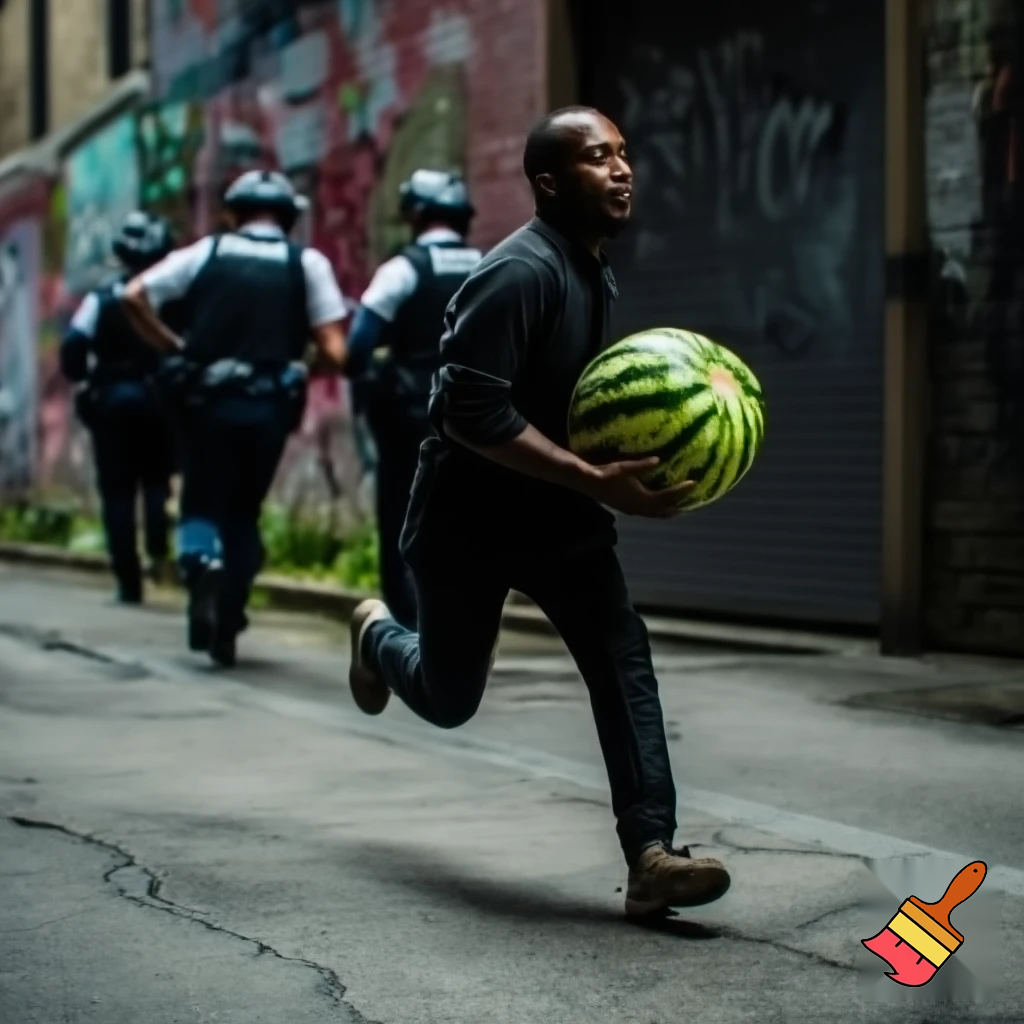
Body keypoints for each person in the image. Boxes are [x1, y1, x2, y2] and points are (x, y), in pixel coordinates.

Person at [346, 107, 732, 917]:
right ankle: (378, 636)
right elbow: (469, 415)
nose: (623, 169)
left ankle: (651, 855)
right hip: (467, 523)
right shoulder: (518, 273)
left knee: (622, 658)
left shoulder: (593, 269)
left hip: (560, 522)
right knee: (450, 699)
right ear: (550, 182)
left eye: (625, 154)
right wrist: (597, 478)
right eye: (598, 158)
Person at [120, 170, 349, 667]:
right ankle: (230, 613)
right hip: (268, 408)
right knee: (244, 509)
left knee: (201, 497)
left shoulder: (206, 252)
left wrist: (173, 346)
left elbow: (133, 295)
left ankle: (201, 564)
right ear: (288, 216)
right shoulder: (305, 263)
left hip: (206, 403)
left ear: (233, 212)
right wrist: (302, 370)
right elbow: (335, 347)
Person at [347, 170, 483, 626]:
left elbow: (359, 343)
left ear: (415, 214)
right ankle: (464, 617)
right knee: (469, 513)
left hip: (411, 415)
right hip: (481, 416)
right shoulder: (490, 264)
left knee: (402, 514)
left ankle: (408, 621)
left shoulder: (403, 268)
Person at [60, 211, 181, 604]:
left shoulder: (101, 298)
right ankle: (160, 550)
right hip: (161, 403)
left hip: (112, 403)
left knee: (117, 492)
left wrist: (84, 378)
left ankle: (129, 583)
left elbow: (73, 347)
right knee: (156, 481)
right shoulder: (174, 298)